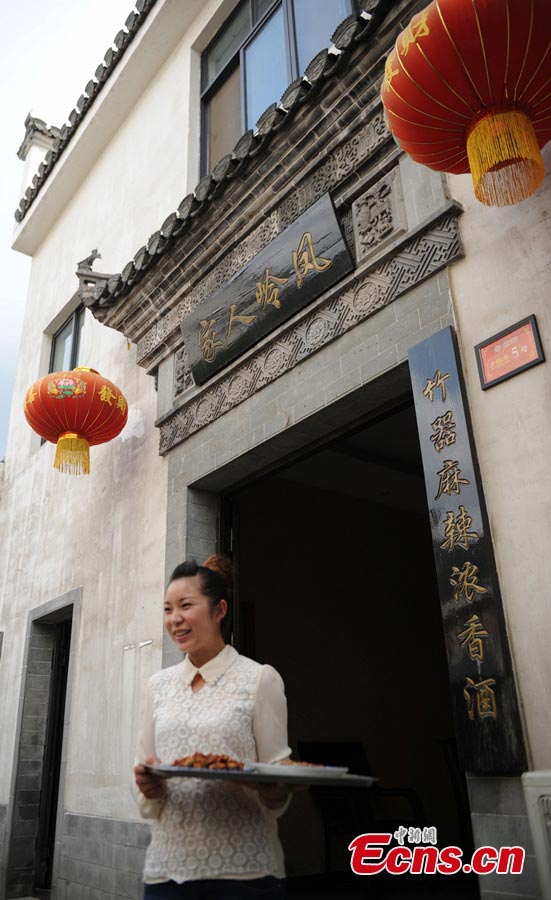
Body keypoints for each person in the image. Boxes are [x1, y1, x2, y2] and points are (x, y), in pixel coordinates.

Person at [133, 556, 291, 899]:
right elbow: (145, 778)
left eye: (186, 606)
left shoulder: (260, 679)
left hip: (245, 873)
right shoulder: (157, 686)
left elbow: (277, 785)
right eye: (167, 609)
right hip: (166, 874)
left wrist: (276, 787)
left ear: (219, 610)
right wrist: (148, 787)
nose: (174, 619)